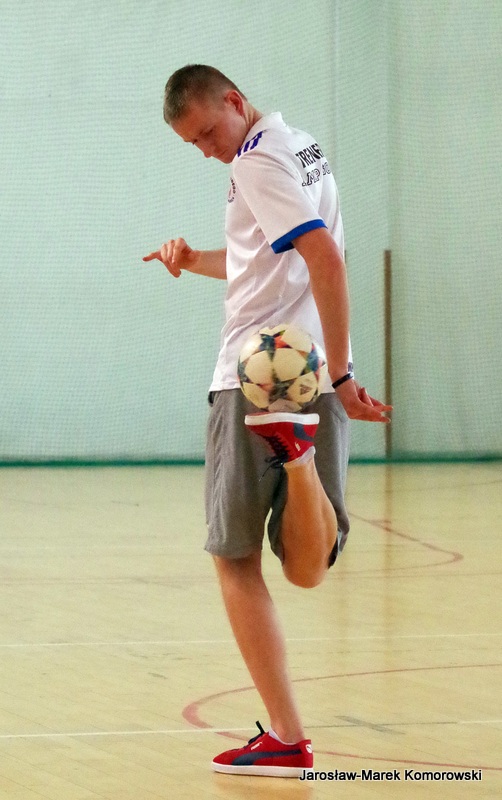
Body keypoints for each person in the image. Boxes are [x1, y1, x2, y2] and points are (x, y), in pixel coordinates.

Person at [143, 64, 391, 778]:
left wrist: (342, 378)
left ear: (234, 100)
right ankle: (299, 459)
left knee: (234, 557)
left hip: (251, 377)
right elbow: (269, 259)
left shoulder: (254, 162)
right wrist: (193, 260)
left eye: (207, 133)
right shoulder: (299, 147)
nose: (207, 150)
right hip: (310, 372)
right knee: (311, 565)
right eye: (193, 145)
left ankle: (286, 736)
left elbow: (326, 260)